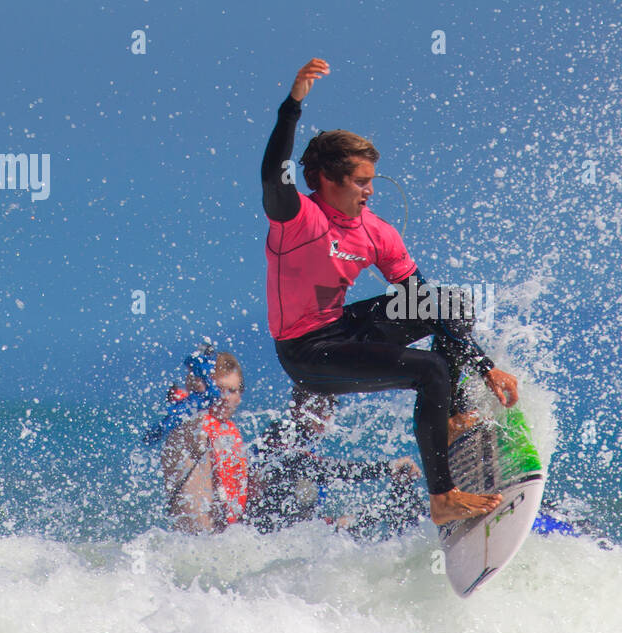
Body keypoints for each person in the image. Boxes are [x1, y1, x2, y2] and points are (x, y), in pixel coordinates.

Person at [260, 57, 520, 526]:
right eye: (360, 182)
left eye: (372, 181)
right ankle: (442, 497)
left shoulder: (376, 231)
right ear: (326, 180)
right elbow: (272, 173)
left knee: (450, 302)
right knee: (431, 369)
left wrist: (486, 366)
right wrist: (292, 105)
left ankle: (454, 415)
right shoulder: (298, 219)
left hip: (341, 329)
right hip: (306, 355)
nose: (370, 192)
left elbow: (426, 303)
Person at [246, 388, 427, 538]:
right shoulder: (281, 435)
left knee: (377, 514)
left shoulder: (308, 443)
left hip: (300, 530)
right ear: (297, 409)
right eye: (318, 408)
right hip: (268, 534)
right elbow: (324, 469)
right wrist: (386, 468)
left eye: (330, 408)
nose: (325, 416)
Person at [144, 345, 248, 533]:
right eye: (219, 389)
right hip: (190, 546)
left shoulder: (229, 434)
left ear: (240, 396)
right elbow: (191, 421)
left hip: (223, 544)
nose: (224, 397)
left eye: (232, 391)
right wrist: (196, 387)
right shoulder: (188, 425)